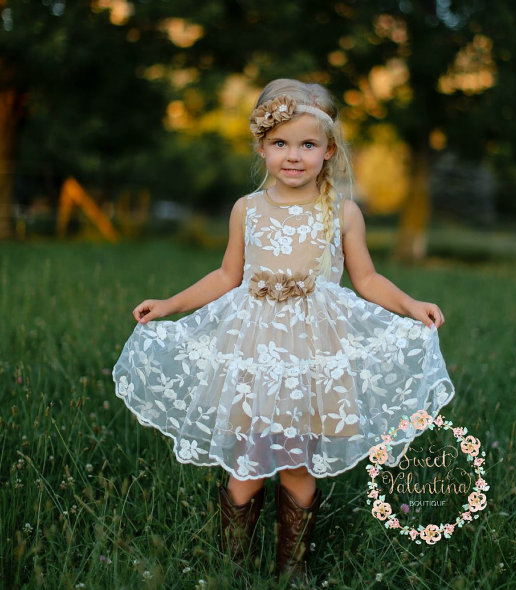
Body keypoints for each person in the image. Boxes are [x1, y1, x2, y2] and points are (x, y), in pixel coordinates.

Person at [113, 78, 455, 582]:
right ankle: (235, 567)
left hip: (311, 357)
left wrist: (410, 305)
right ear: (262, 147)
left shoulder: (342, 212)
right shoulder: (247, 209)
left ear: (328, 150)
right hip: (254, 353)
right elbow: (227, 276)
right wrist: (169, 304)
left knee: (297, 464)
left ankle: (290, 570)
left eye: (307, 144)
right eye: (280, 144)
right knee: (247, 465)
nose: (293, 156)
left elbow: (366, 279)